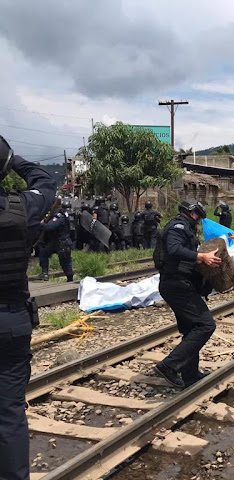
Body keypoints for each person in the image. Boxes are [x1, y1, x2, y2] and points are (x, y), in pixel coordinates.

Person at [0, 136, 56, 480]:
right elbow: (46, 182)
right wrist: (12, 159)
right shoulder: (22, 208)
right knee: (8, 412)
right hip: (9, 320)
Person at [154, 200, 221, 388]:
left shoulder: (186, 229)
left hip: (181, 284)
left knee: (191, 329)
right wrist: (201, 257)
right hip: (176, 285)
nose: (199, 220)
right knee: (205, 325)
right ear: (192, 213)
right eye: (198, 216)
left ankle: (190, 374)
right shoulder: (177, 227)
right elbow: (174, 249)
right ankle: (169, 366)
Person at [38, 199, 75, 282]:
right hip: (56, 242)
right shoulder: (61, 214)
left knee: (65, 261)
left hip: (62, 243)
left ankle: (70, 280)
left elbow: (50, 226)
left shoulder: (59, 216)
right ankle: (45, 273)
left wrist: (41, 224)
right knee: (43, 253)